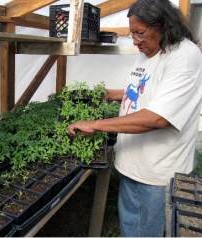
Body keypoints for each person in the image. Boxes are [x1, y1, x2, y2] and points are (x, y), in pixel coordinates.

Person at [68, 0, 202, 236]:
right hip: (134, 161)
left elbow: (158, 117)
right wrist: (112, 95)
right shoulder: (152, 49)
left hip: (155, 170)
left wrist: (95, 124)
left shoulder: (183, 56)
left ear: (163, 25)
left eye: (140, 34)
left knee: (142, 231)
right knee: (133, 225)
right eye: (132, 34)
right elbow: (147, 90)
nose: (135, 41)